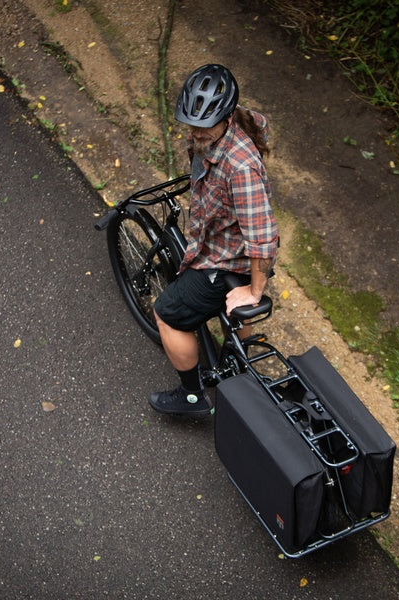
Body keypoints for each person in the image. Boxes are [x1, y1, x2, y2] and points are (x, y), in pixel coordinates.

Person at [149, 63, 278, 417]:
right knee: (230, 309)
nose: (195, 132)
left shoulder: (241, 167)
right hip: (227, 240)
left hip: (226, 258)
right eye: (191, 122)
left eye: (205, 126)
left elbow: (263, 238)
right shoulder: (234, 123)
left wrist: (254, 291)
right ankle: (240, 361)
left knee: (167, 314)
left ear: (225, 117)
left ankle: (191, 397)